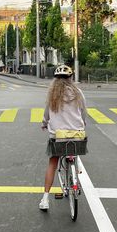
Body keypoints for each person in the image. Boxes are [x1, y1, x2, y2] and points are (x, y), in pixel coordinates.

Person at [39, 64, 87, 212]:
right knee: (74, 146)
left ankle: (45, 199)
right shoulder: (78, 93)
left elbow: (47, 114)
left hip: (58, 137)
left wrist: (44, 123)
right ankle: (75, 165)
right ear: (70, 78)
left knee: (53, 163)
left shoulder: (52, 95)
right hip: (77, 135)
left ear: (55, 80)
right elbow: (83, 112)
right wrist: (82, 123)